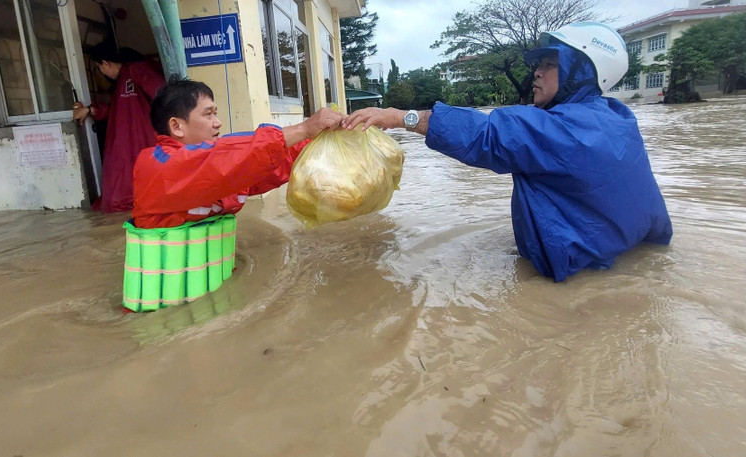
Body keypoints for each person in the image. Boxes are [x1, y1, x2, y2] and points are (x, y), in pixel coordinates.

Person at [345, 22, 672, 282]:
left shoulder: (559, 130)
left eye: (550, 64)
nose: (537, 73)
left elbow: (484, 134)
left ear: (581, 71)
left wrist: (400, 117)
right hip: (634, 259)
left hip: (580, 278)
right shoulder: (619, 117)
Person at [132, 79, 344, 229]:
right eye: (208, 114)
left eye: (216, 113)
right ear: (177, 126)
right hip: (169, 290)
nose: (218, 122)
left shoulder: (222, 171)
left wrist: (317, 140)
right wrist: (303, 129)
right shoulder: (156, 165)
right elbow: (222, 160)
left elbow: (269, 166)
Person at [73, 42, 166, 212]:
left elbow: (163, 95)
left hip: (141, 138)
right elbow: (118, 109)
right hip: (128, 140)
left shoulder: (136, 70)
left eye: (99, 67)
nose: (102, 72)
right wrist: (90, 109)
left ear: (105, 63)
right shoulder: (123, 79)